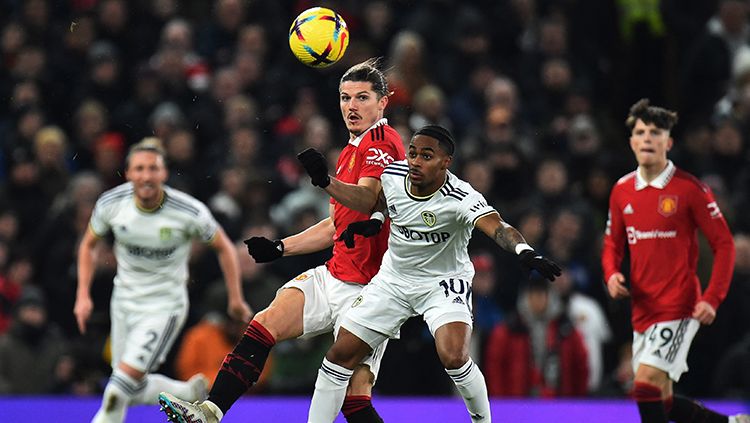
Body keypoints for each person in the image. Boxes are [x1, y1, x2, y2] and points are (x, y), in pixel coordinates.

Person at [159, 58, 405, 423]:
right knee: (265, 322)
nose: (351, 107)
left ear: (383, 102)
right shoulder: (354, 146)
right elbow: (338, 223)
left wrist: (325, 182)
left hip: (371, 290)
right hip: (336, 274)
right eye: (345, 97)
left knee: (355, 400)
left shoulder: (382, 143)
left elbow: (367, 198)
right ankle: (210, 412)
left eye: (362, 98)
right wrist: (281, 247)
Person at [306, 125, 561, 423]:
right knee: (339, 356)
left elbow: (499, 228)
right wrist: (376, 219)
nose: (415, 161)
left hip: (442, 283)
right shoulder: (393, 175)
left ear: (445, 162)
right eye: (413, 153)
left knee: (453, 357)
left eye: (426, 156)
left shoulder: (461, 196)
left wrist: (524, 252)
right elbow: (383, 200)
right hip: (394, 280)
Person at [74, 137, 252, 423]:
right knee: (129, 385)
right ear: (128, 172)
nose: (146, 176)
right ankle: (185, 391)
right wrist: (83, 295)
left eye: (153, 169)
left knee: (116, 391)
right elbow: (88, 245)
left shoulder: (188, 211)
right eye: (140, 169)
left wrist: (235, 298)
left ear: (164, 173)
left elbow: (224, 247)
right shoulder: (111, 203)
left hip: (164, 306)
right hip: (123, 302)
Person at [602, 99, 747, 423]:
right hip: (643, 308)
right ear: (631, 142)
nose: (647, 138)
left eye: (655, 132)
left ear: (668, 142)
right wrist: (611, 273)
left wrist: (712, 297)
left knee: (644, 385)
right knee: (661, 399)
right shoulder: (621, 190)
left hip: (679, 304)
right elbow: (612, 241)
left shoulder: (690, 189)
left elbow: (724, 244)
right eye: (641, 132)